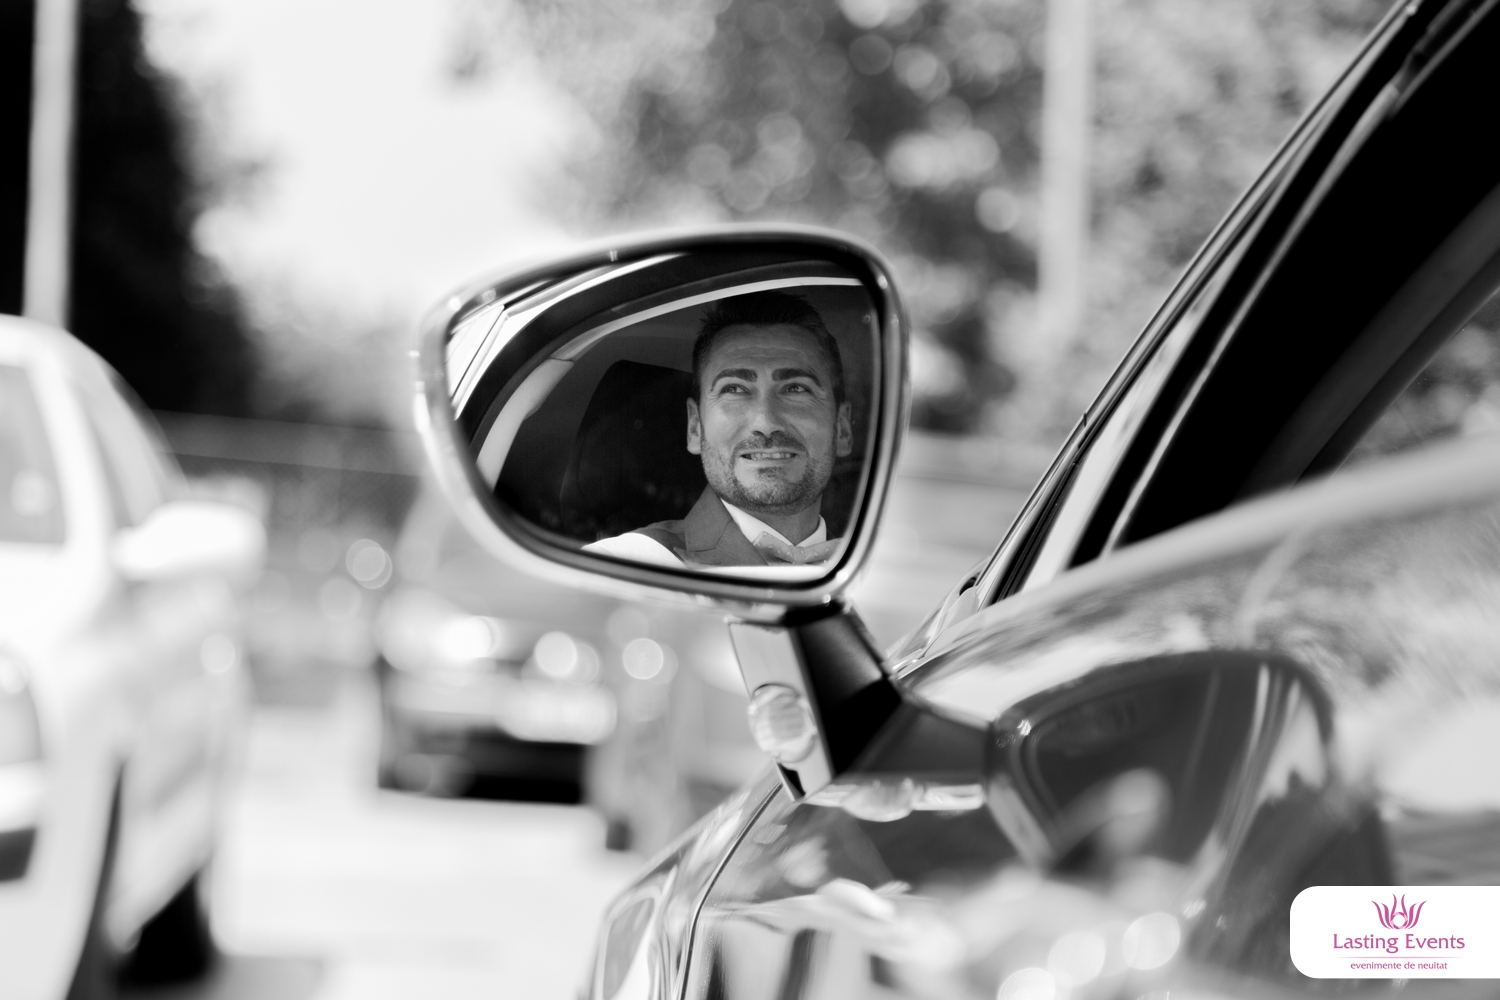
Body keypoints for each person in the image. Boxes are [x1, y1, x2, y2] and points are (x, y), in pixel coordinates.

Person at [584, 290, 853, 568]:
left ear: (842, 428)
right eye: (734, 389)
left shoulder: (873, 569)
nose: (765, 422)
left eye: (796, 389)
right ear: (695, 427)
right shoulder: (618, 566)